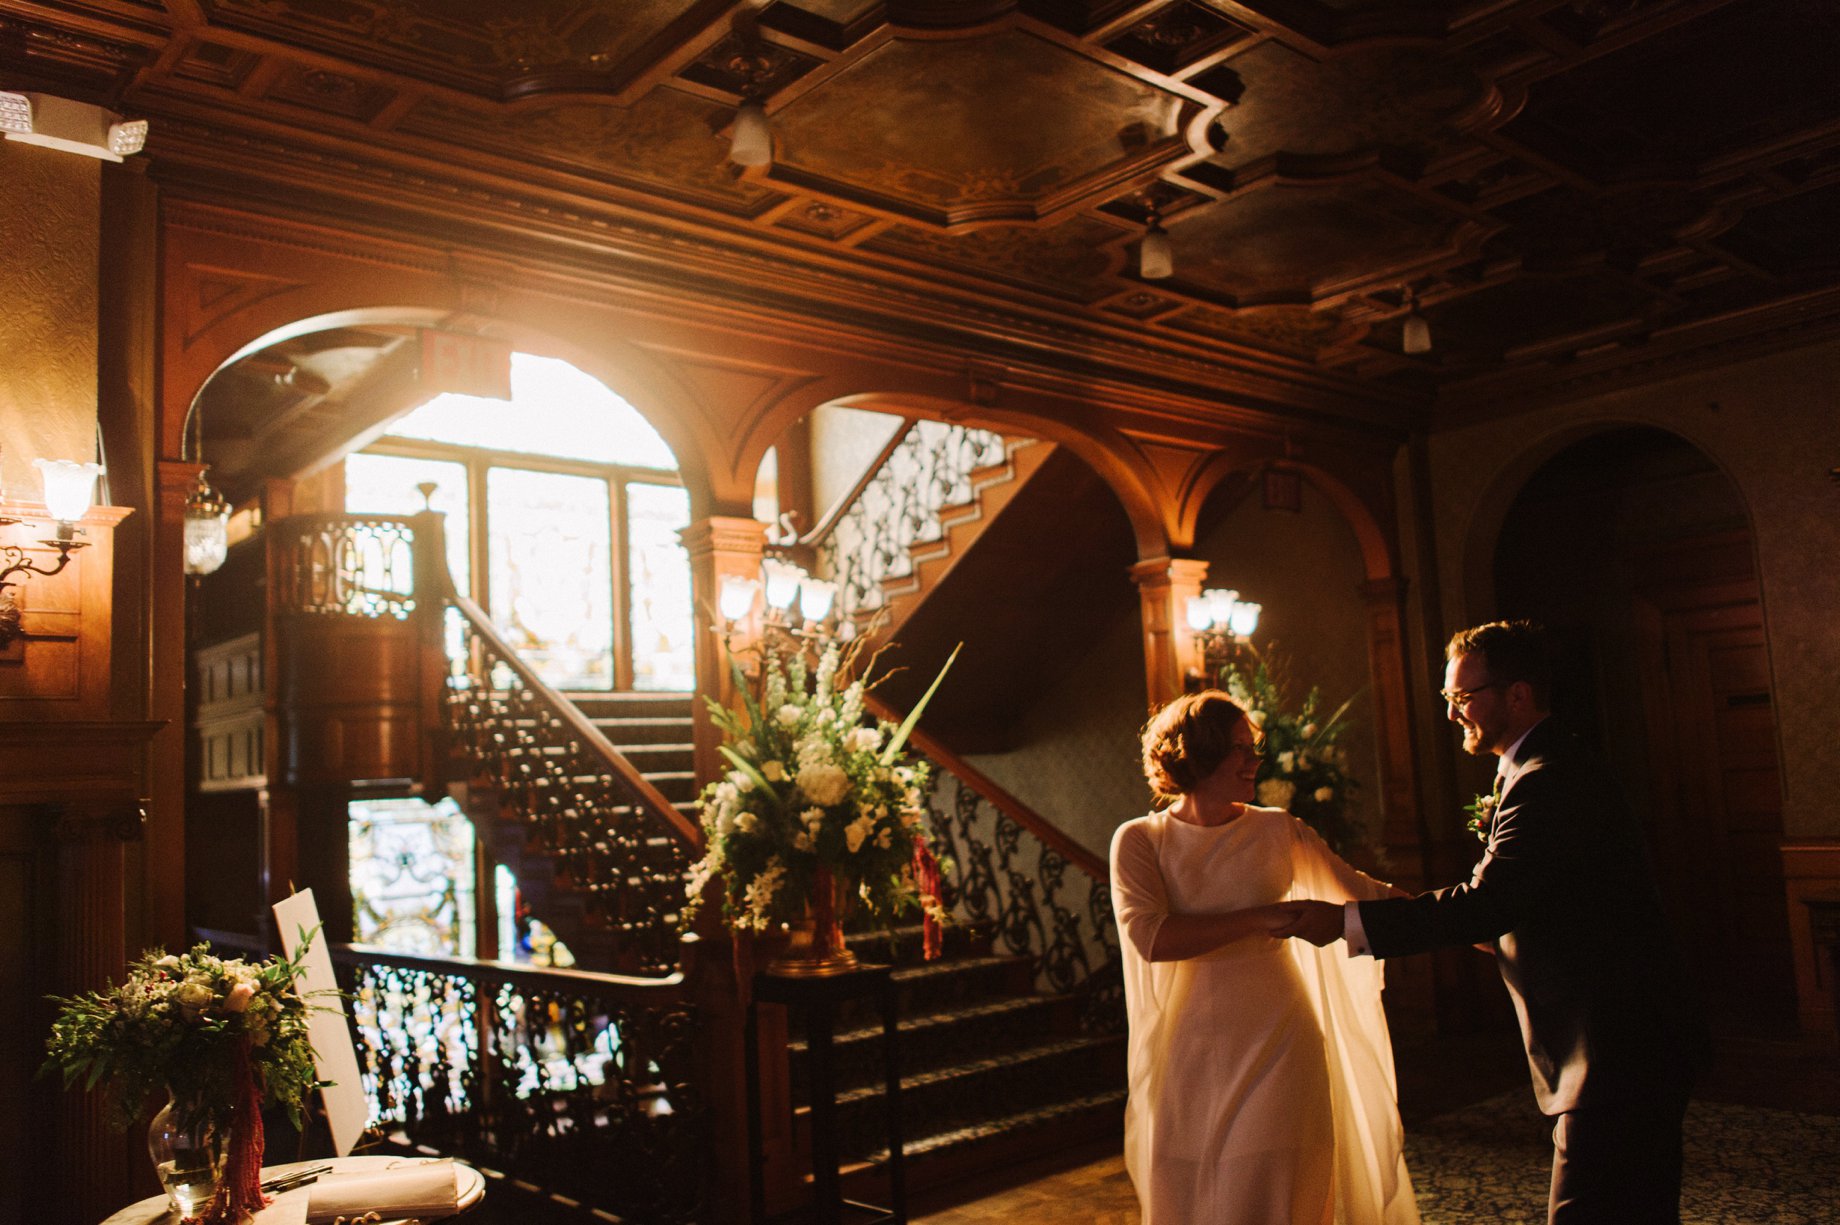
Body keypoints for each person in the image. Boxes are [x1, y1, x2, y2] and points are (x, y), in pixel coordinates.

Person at [1279, 620, 1705, 1224]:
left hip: (1615, 1045)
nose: (1453, 714)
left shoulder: (1547, 778)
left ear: (1518, 695)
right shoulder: (1538, 766)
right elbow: (1533, 903)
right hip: (1625, 1040)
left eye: (1463, 697)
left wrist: (1348, 922)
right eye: (1449, 699)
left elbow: (1491, 903)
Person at [1110, 690, 1419, 1225]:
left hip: (1281, 1033)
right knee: (1202, 1186)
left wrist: (1465, 921)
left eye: (1254, 750)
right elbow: (1152, 939)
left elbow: (1361, 891)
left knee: (1277, 1181)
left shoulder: (1277, 829)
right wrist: (1262, 917)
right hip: (1192, 1044)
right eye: (1240, 750)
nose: (1255, 762)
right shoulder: (1140, 841)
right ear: (1197, 754)